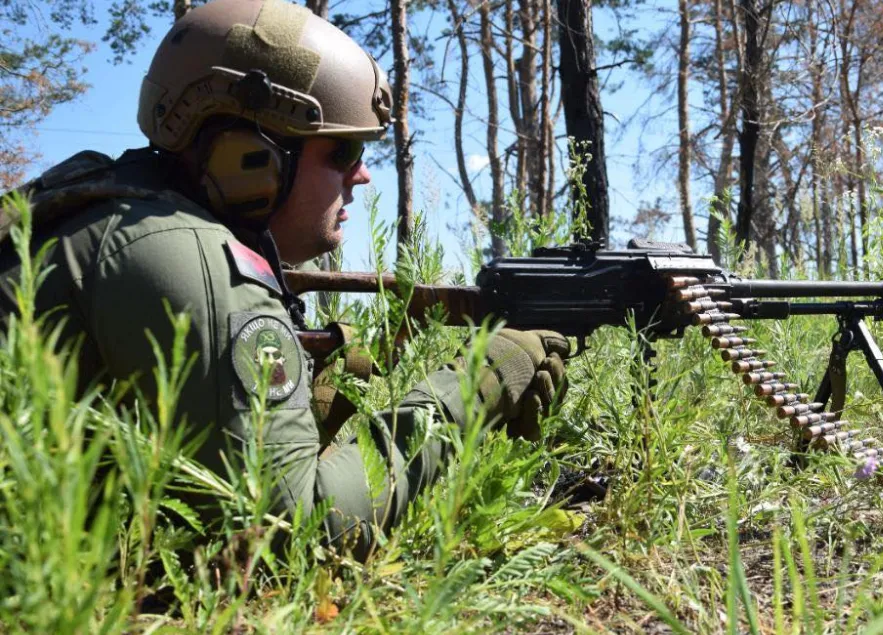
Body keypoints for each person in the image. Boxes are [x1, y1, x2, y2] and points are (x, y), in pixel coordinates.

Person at [0, 0, 568, 559]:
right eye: (342, 150)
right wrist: (482, 380)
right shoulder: (182, 252)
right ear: (247, 158)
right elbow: (297, 523)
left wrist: (342, 376)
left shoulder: (121, 211)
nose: (363, 175)